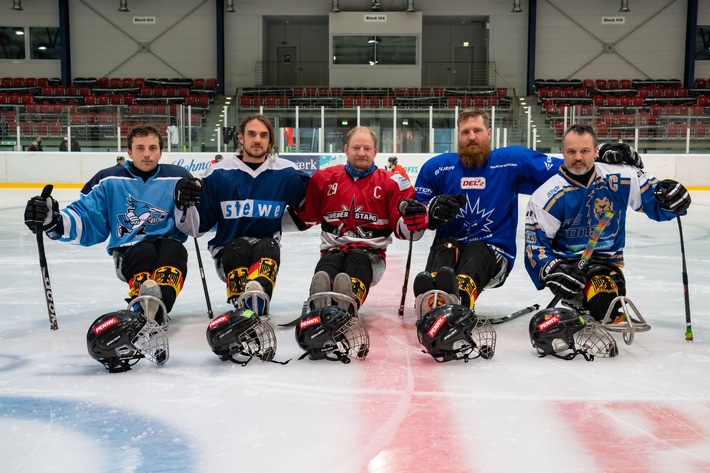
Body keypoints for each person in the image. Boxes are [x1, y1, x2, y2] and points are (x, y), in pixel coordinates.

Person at [23, 125, 193, 326]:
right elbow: (86, 215)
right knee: (144, 251)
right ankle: (146, 307)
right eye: (140, 148)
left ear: (161, 152)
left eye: (152, 148)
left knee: (173, 249)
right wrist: (55, 221)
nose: (147, 154)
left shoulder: (179, 177)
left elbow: (200, 215)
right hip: (129, 251)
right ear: (129, 152)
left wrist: (195, 199)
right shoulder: (108, 179)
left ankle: (156, 309)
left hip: (168, 244)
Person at [524, 124, 691, 323]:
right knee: (602, 306)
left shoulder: (621, 176)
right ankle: (580, 298)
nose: (578, 157)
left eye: (585, 151)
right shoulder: (545, 196)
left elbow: (653, 198)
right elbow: (535, 249)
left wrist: (670, 200)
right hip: (569, 267)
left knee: (604, 303)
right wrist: (552, 270)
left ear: (596, 151)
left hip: (604, 265)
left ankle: (595, 302)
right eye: (571, 151)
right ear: (562, 153)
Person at [412, 108, 562, 311]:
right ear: (458, 135)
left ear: (489, 133)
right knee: (447, 244)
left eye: (477, 130)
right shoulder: (437, 168)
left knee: (477, 247)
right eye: (465, 132)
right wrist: (431, 210)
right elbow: (416, 213)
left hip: (493, 255)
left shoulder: (511, 161)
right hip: (451, 251)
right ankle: (434, 296)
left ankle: (461, 299)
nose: (472, 137)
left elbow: (568, 169)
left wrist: (601, 160)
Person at [173, 113, 310, 313]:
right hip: (228, 254)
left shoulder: (286, 173)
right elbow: (197, 228)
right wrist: (182, 205)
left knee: (267, 244)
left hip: (266, 249)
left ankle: (257, 302)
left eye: (263, 135)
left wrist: (282, 222)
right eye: (252, 134)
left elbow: (310, 209)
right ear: (241, 138)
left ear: (270, 140)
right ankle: (242, 306)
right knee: (239, 246)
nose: (257, 140)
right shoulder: (218, 174)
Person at [293, 126, 427, 312]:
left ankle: (345, 307)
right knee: (326, 270)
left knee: (357, 260)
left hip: (371, 257)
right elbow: (306, 217)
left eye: (367, 148)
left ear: (375, 151)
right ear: (346, 149)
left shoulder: (392, 183)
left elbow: (403, 230)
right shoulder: (324, 179)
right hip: (332, 252)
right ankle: (320, 306)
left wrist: (415, 221)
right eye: (356, 148)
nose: (361, 153)